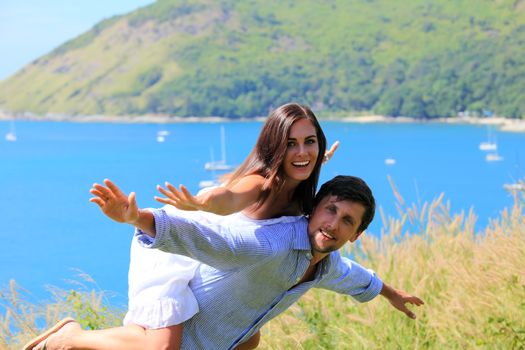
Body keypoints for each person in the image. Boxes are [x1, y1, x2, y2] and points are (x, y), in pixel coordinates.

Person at [24, 103, 338, 350]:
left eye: (309, 142)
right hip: (170, 242)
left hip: (200, 251)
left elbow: (304, 165)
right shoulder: (261, 183)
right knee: (161, 347)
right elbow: (228, 196)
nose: (302, 152)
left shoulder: (299, 196)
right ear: (276, 148)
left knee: (247, 340)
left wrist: (316, 159)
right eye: (291, 144)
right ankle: (70, 336)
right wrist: (202, 203)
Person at [32, 175, 423, 349]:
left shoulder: (327, 263)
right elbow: (213, 238)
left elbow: (356, 277)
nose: (333, 224)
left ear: (355, 235)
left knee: (250, 339)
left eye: (347, 221)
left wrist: (391, 293)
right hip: (178, 285)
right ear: (313, 210)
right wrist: (137, 218)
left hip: (218, 334)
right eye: (330, 210)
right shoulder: (271, 243)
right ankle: (70, 337)